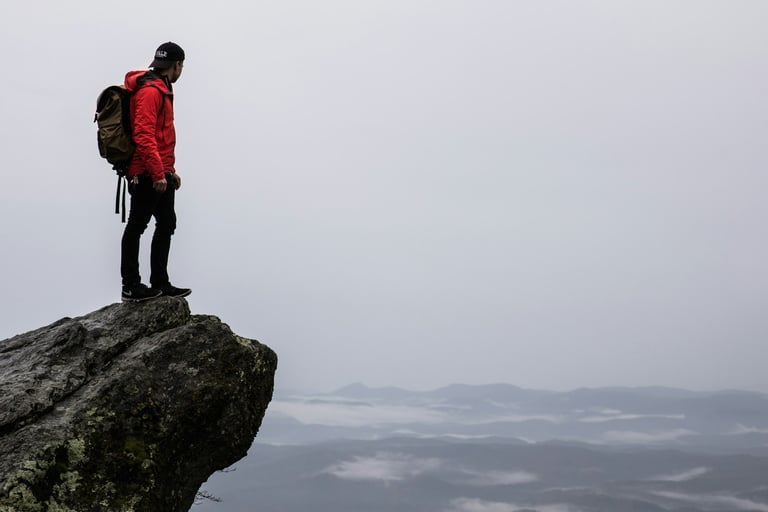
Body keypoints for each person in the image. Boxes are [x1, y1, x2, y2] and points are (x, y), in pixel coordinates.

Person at [120, 42, 191, 302]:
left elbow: (161, 136)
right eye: (182, 66)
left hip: (160, 170)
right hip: (146, 171)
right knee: (137, 225)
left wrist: (169, 171)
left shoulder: (162, 89)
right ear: (177, 65)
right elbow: (143, 135)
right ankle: (131, 286)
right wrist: (157, 172)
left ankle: (160, 282)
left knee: (167, 223)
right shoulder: (150, 92)